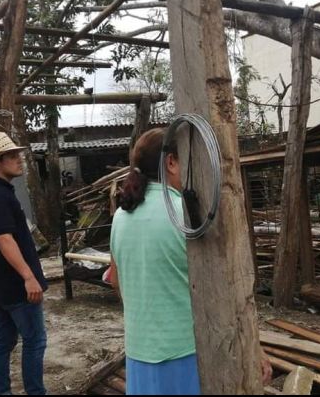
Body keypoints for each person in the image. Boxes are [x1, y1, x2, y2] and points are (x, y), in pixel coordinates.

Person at [108, 128, 272, 395]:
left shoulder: (121, 217)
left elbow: (116, 281)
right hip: (184, 353)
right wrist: (253, 348)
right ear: (171, 162)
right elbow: (221, 294)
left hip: (139, 352)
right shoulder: (187, 217)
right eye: (189, 160)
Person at [0, 132, 48, 395]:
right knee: (35, 341)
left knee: (3, 341)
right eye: (12, 155)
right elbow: (4, 239)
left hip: (1, 286)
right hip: (17, 287)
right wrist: (29, 277)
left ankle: (1, 391)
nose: (20, 159)